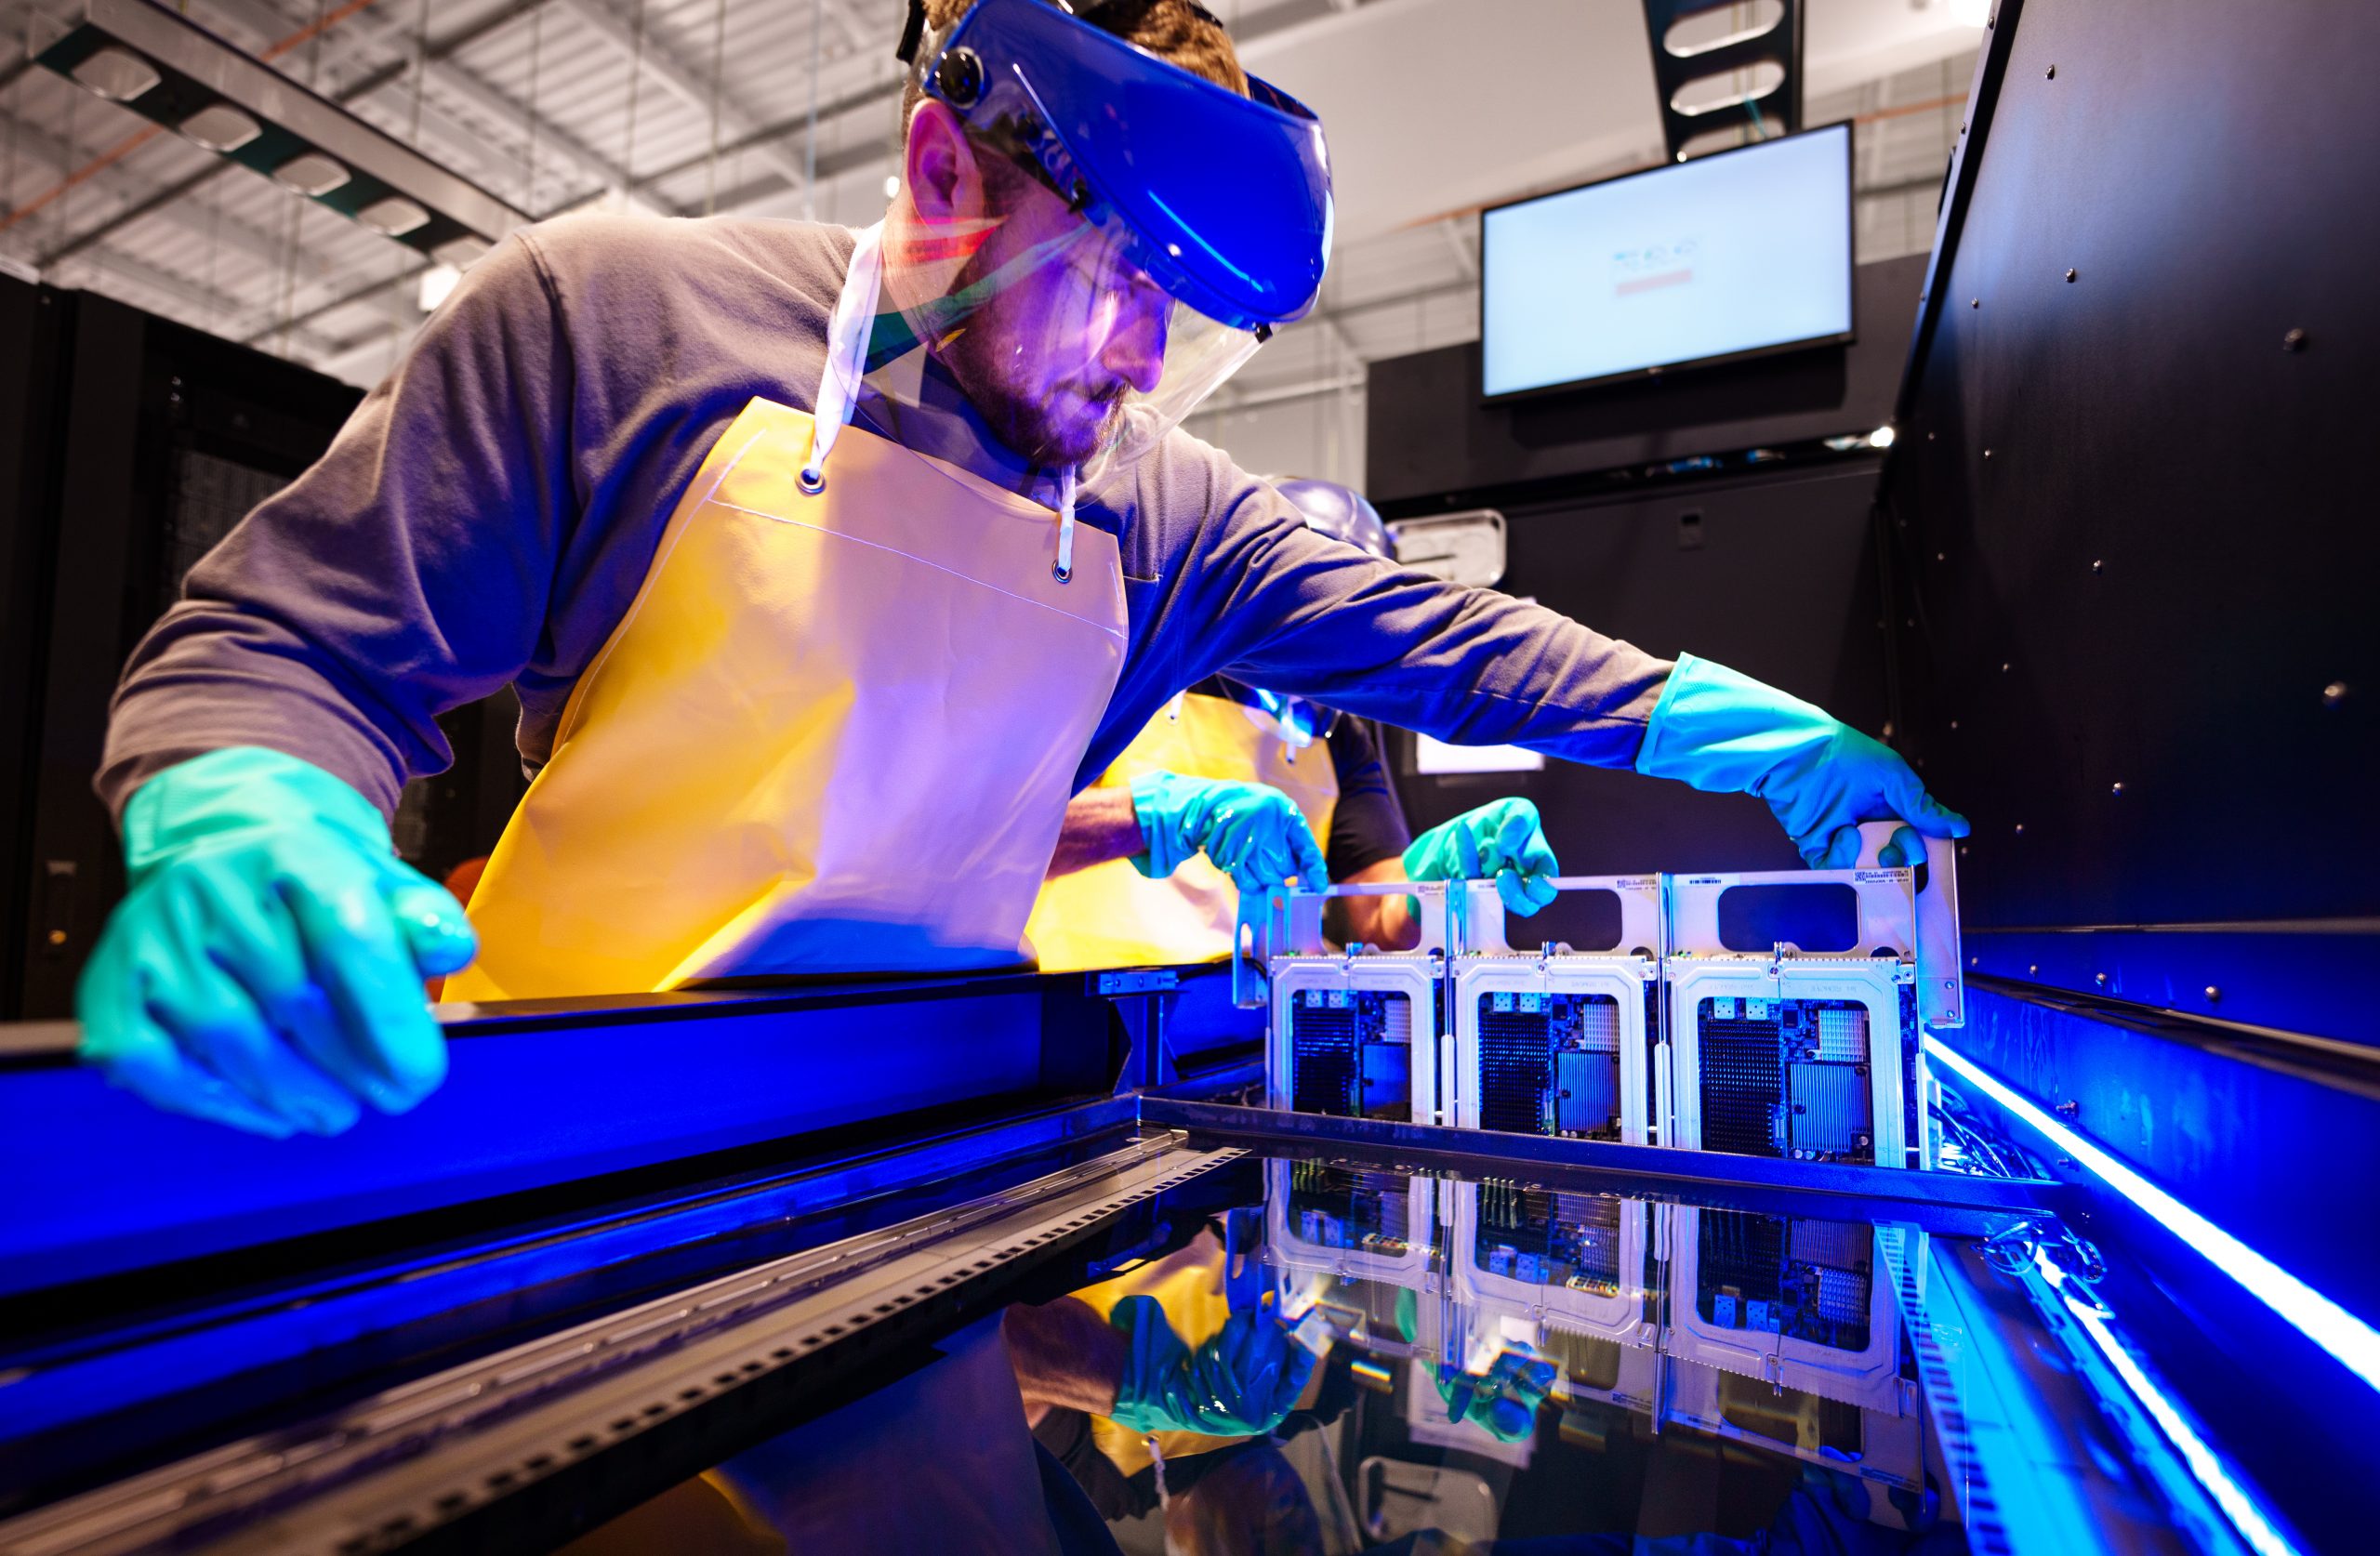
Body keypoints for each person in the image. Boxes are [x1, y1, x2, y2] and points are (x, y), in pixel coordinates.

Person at [75, 0, 1965, 1139]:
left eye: (1187, 325)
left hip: (937, 1151)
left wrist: (1737, 732)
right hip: (565, 1140)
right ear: (939, 175)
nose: (1141, 367)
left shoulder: (1159, 506)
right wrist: (251, 812)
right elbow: (284, 646)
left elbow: (1447, 641)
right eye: (1115, 282)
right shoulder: (617, 323)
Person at [1028, 477, 1558, 969]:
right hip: (1081, 997)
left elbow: (1377, 918)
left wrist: (1434, 881)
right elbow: (999, 837)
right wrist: (1156, 816)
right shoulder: (1134, 665)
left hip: (1256, 1008)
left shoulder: (1336, 731)